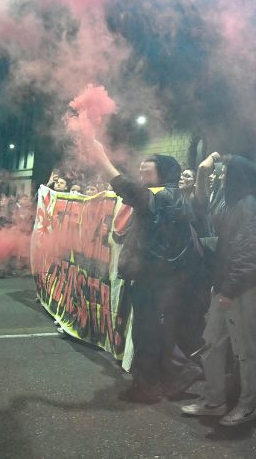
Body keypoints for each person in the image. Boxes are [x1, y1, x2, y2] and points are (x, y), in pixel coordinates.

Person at [90, 139, 204, 404]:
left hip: (154, 279)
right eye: (140, 171)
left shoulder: (163, 196)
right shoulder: (170, 196)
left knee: (146, 332)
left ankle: (149, 385)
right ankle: (175, 374)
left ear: (163, 174)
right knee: (153, 331)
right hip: (158, 277)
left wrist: (100, 156)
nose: (142, 176)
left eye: (147, 172)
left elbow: (125, 189)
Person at [182, 156, 256, 426]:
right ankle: (214, 401)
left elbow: (250, 255)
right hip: (228, 285)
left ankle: (247, 407)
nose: (222, 178)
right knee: (212, 342)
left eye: (226, 174)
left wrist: (228, 289)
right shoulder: (240, 203)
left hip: (241, 289)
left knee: (245, 350)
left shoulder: (248, 206)